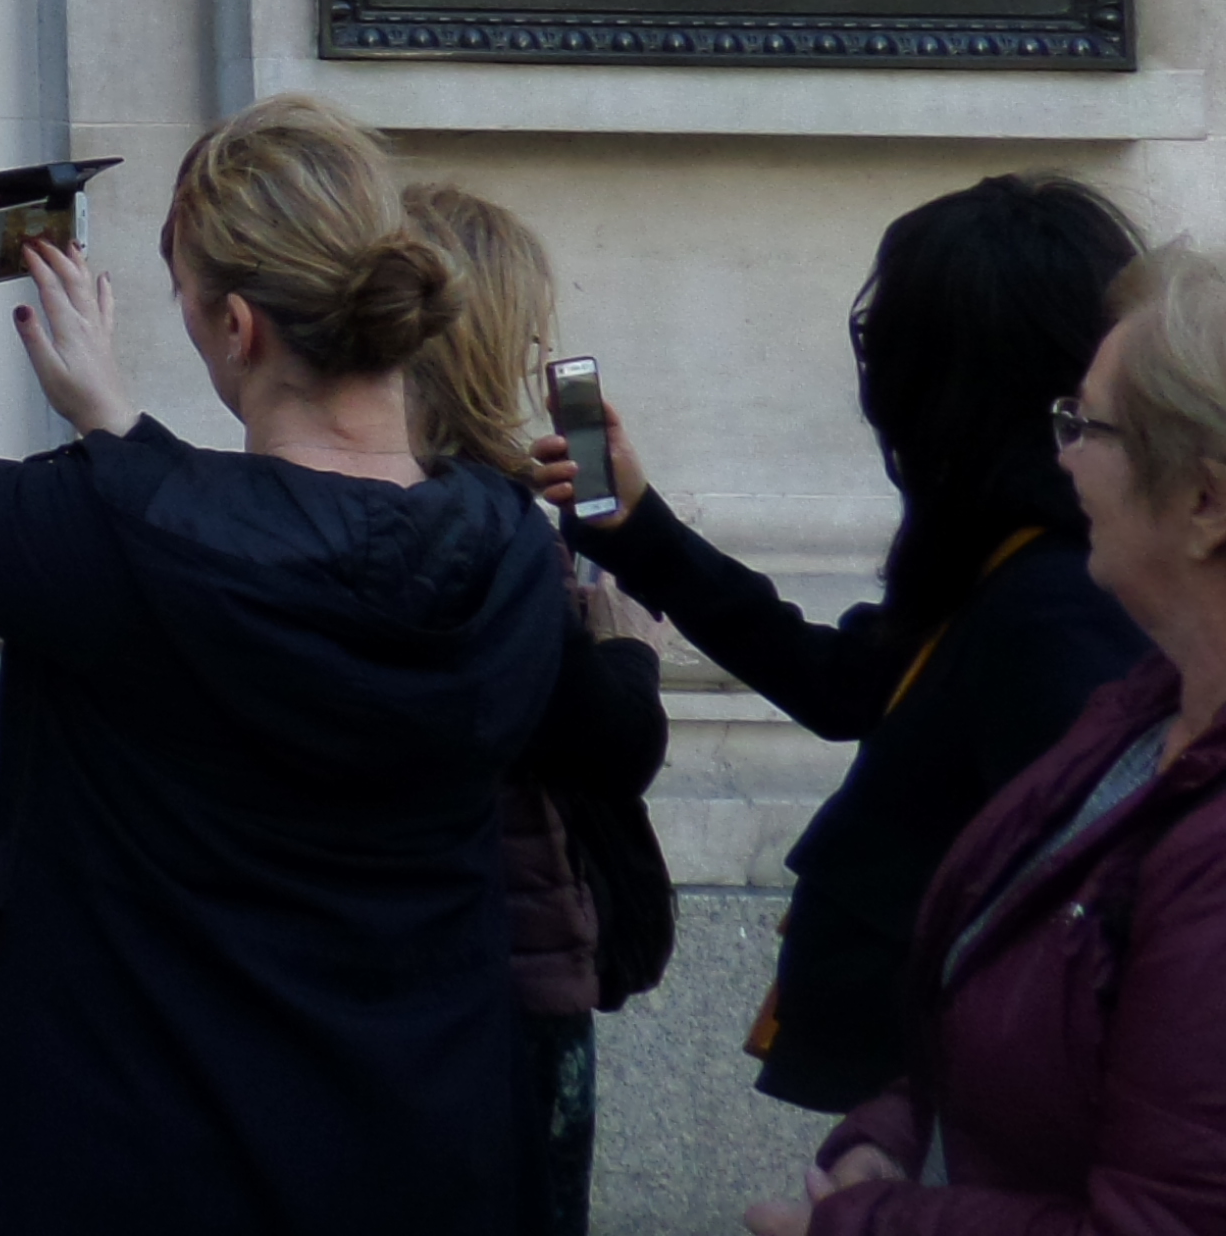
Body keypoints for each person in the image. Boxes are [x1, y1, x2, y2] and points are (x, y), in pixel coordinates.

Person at [0, 98, 561, 1236]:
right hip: (417, 1145)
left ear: (237, 326)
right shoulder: (512, 548)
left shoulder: (118, 540)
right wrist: (121, 434)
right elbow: (263, 542)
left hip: (133, 1154)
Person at [552, 174, 1146, 1117]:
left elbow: (1078, 924)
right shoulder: (1009, 555)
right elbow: (845, 684)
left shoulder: (1053, 599)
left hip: (960, 1111)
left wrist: (914, 1131)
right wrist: (639, 529)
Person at [751, 241, 1226, 1234]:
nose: (1061, 456)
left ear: (1204, 503)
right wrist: (895, 1129)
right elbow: (1018, 1007)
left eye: (1087, 426)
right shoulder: (1140, 719)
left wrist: (865, 1224)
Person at [405, 181, 674, 1236]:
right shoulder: (490, 531)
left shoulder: (356, 498)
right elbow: (607, 741)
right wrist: (627, 645)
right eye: (525, 335)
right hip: (511, 962)